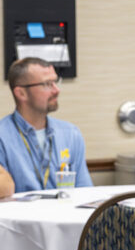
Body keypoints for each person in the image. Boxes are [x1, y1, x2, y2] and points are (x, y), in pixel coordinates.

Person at [0, 57, 92, 197]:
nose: (56, 90)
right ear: (21, 93)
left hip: (66, 217)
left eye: (55, 82)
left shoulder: (70, 134)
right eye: (47, 84)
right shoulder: (2, 137)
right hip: (18, 218)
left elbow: (85, 193)